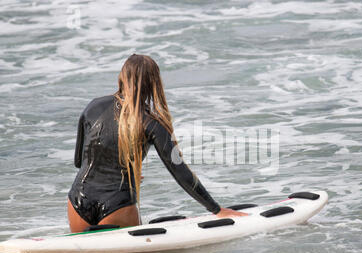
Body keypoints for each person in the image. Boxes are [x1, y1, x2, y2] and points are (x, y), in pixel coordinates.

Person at [67, 54, 247, 233]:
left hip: (79, 200)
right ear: (153, 83)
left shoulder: (94, 106)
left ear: (122, 77)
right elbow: (180, 172)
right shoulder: (152, 123)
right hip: (117, 202)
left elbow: (79, 161)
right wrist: (217, 209)